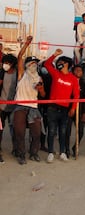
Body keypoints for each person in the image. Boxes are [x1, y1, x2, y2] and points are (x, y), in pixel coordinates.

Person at [12, 36, 46, 164]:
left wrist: (41, 89)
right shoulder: (22, 73)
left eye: (36, 63)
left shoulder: (39, 78)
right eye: (32, 63)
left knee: (36, 133)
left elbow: (43, 94)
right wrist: (27, 44)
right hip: (20, 105)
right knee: (19, 132)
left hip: (33, 107)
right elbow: (19, 57)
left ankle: (34, 153)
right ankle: (21, 154)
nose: (34, 65)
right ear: (27, 65)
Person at [44, 49, 80, 163]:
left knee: (63, 131)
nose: (60, 64)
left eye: (62, 63)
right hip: (52, 107)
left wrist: (73, 108)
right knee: (51, 130)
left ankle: (63, 152)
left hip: (65, 108)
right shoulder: (55, 73)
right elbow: (46, 64)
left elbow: (76, 95)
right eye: (59, 63)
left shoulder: (73, 79)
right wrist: (55, 55)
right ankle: (50, 152)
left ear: (67, 64)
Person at [0, 53, 18, 163]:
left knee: (14, 130)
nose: (5, 65)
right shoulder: (2, 73)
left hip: (13, 107)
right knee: (0, 130)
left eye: (7, 63)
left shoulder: (18, 74)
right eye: (3, 63)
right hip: (1, 107)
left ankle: (15, 149)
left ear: (12, 64)